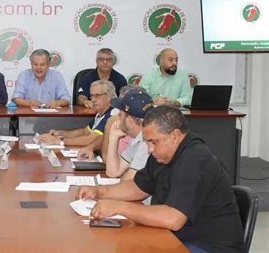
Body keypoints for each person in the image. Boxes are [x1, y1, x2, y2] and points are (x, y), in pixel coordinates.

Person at [77, 105, 244, 252]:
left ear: (175, 135)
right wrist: (98, 191)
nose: (149, 149)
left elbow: (174, 218)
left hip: (207, 246)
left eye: (153, 142)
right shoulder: (163, 153)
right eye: (147, 142)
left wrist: (120, 208)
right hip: (176, 237)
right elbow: (138, 187)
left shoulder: (196, 160)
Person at [38, 80, 114, 146]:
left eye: (97, 96)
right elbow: (84, 132)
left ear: (109, 96)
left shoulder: (112, 115)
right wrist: (60, 133)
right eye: (92, 96)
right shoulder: (100, 113)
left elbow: (89, 140)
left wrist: (60, 141)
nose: (93, 100)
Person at [104, 90, 154, 180]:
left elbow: (127, 183)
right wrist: (113, 138)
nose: (117, 118)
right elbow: (113, 172)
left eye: (120, 114)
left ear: (130, 119)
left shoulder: (147, 143)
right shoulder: (137, 139)